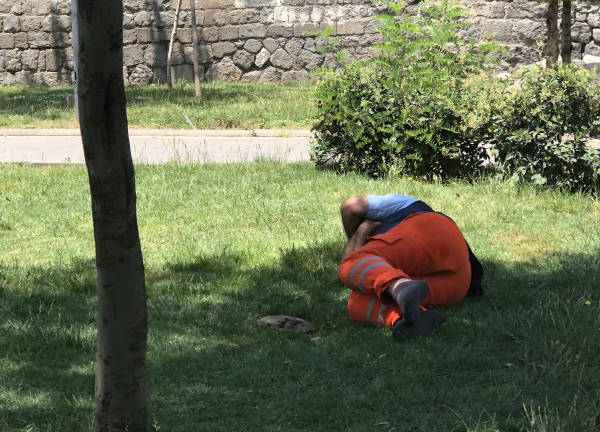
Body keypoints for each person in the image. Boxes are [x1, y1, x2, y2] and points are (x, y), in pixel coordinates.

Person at [338, 193, 483, 339]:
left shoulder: (402, 203)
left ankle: (399, 286)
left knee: (352, 263)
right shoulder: (379, 258)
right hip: (459, 283)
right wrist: (364, 229)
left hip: (432, 230)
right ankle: (407, 318)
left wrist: (364, 228)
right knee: (355, 301)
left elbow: (350, 207)